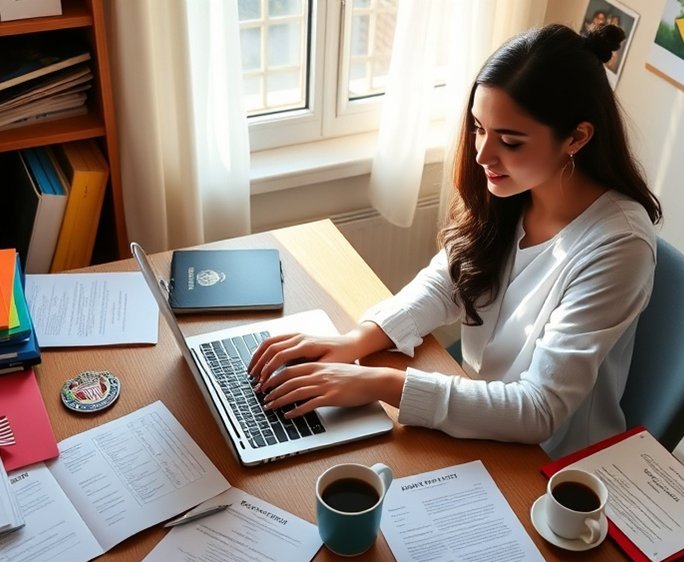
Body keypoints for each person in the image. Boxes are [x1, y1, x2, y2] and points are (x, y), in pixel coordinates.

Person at [249, 24, 662, 458]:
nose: (483, 154)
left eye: (510, 140)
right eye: (479, 128)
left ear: (576, 137)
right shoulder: (517, 191)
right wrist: (356, 341)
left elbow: (540, 409)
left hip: (550, 462)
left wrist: (383, 383)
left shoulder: (620, 246)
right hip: (480, 418)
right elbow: (446, 281)